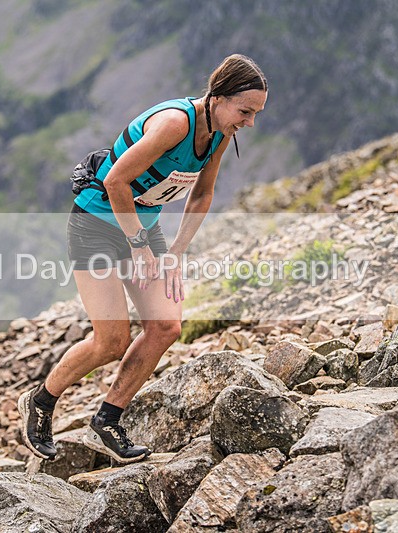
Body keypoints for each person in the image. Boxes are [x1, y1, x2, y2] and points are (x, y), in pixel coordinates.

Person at [18, 54, 268, 463]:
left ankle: (108, 417)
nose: (250, 122)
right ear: (218, 97)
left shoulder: (221, 133)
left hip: (141, 227)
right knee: (111, 340)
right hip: (97, 224)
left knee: (166, 326)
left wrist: (173, 253)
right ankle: (41, 401)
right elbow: (116, 179)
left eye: (256, 114)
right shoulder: (174, 124)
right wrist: (138, 246)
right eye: (245, 111)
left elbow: (202, 195)